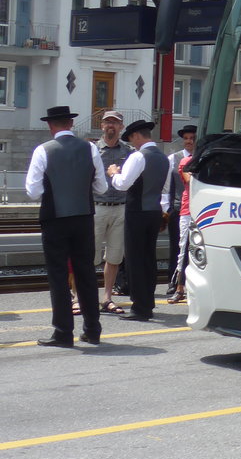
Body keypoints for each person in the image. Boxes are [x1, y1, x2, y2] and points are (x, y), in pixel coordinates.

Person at [25, 106, 109, 346]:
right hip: (83, 217)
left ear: (51, 126)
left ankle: (63, 332)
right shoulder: (90, 148)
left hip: (54, 218)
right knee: (86, 273)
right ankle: (93, 329)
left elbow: (33, 191)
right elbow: (101, 187)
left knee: (58, 275)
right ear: (70, 124)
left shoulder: (43, 150)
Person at [107, 119, 170, 321]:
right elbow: (165, 187)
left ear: (136, 136)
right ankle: (147, 302)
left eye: (132, 139)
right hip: (154, 211)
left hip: (137, 211)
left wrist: (114, 174)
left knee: (135, 259)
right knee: (148, 259)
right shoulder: (163, 158)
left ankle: (140, 307)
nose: (132, 143)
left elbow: (123, 184)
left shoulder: (138, 156)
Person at [92, 109, 133, 314]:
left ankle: (107, 297)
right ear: (101, 126)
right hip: (97, 207)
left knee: (115, 256)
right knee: (89, 255)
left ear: (121, 127)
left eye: (115, 123)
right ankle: (81, 296)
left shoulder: (129, 152)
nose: (111, 126)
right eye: (107, 122)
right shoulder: (92, 150)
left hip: (120, 209)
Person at [165, 125, 196, 296]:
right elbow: (167, 186)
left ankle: (187, 282)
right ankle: (173, 281)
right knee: (176, 247)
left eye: (192, 138)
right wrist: (167, 208)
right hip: (178, 207)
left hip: (195, 209)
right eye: (186, 138)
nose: (189, 141)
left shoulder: (199, 158)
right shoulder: (174, 159)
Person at [168, 149, 194, 303]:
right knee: (184, 249)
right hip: (188, 210)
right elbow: (190, 180)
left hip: (206, 209)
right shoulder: (185, 161)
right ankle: (179, 287)